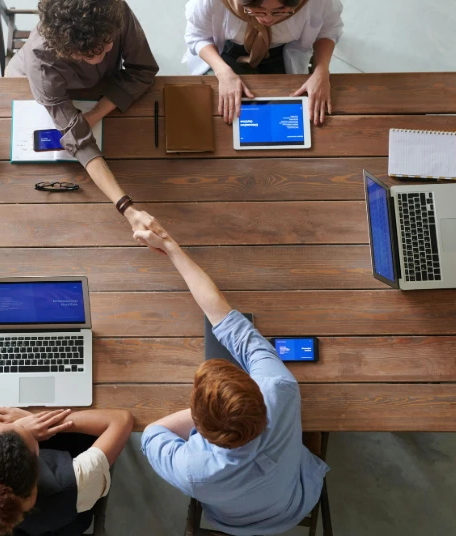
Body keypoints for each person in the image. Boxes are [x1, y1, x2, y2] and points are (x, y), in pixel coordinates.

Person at [134, 226, 328, 535]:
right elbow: (227, 320)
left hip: (233, 522)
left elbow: (152, 434)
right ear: (255, 391)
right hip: (296, 501)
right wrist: (170, 245)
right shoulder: (278, 388)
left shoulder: (192, 470)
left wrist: (170, 246)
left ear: (198, 426)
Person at [6, 0, 165, 239]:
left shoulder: (111, 12)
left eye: (108, 43)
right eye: (95, 53)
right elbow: (77, 139)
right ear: (67, 51)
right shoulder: (41, 61)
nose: (108, 52)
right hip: (34, 86)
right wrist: (127, 208)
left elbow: (143, 69)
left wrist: (95, 114)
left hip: (98, 91)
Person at [0, 407, 133, 535]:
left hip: (2, 528)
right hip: (63, 526)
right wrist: (39, 419)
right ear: (39, 462)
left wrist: (18, 427)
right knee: (83, 438)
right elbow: (122, 419)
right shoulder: (78, 483)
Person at [184, 0, 343, 125]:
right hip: (229, 51)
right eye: (258, 11)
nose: (267, 19)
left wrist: (321, 71)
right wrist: (223, 72)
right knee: (227, 111)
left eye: (280, 12)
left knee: (287, 112)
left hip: (282, 50)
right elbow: (198, 36)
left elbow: (327, 31)